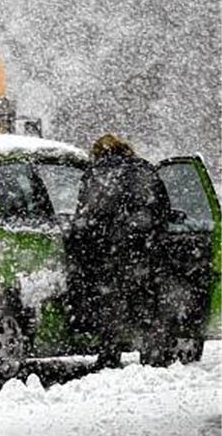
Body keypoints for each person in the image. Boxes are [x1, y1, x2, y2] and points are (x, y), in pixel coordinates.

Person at [66, 134, 171, 368]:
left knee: (111, 304)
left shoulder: (96, 174)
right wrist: (153, 235)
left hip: (108, 251)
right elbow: (163, 208)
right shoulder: (144, 169)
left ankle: (109, 355)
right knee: (147, 303)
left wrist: (85, 246)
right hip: (144, 248)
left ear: (98, 153)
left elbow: (86, 213)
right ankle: (152, 356)